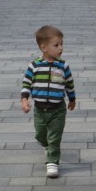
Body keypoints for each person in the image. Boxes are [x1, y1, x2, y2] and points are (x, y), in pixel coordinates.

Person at [20, 25, 77, 179]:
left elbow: (69, 84)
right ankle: (45, 145)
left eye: (61, 44)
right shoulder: (35, 66)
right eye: (56, 45)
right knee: (40, 135)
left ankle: (52, 162)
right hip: (39, 110)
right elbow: (26, 84)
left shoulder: (63, 66)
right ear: (44, 47)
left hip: (58, 109)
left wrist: (72, 99)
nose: (60, 48)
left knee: (54, 137)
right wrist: (24, 99)